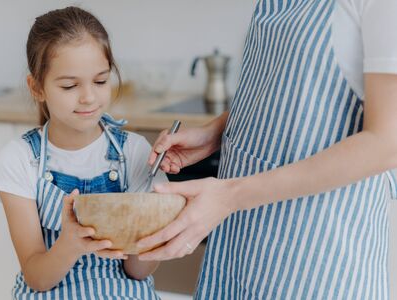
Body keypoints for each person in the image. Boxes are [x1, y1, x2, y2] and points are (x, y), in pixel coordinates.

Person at [137, 0, 397, 299]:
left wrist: (229, 196)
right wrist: (218, 133)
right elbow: (290, 89)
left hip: (315, 248)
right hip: (242, 239)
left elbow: (386, 142)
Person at [0, 6, 166, 299]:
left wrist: (157, 222)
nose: (89, 97)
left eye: (101, 81)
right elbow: (37, 277)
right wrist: (71, 243)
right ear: (37, 87)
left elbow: (137, 272)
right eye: (70, 85)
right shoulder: (19, 159)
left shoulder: (134, 152)